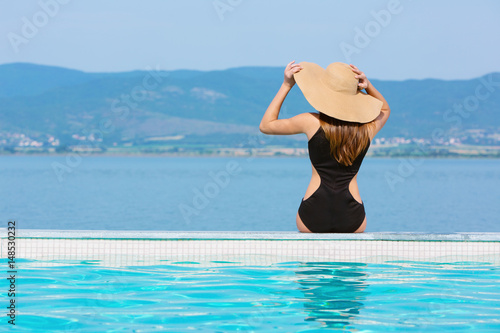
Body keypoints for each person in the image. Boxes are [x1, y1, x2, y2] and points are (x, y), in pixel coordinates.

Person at [259, 61, 390, 233]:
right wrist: (368, 86)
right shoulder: (366, 129)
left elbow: (266, 125)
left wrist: (286, 85)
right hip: (352, 216)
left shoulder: (310, 122)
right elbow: (385, 109)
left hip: (312, 213)